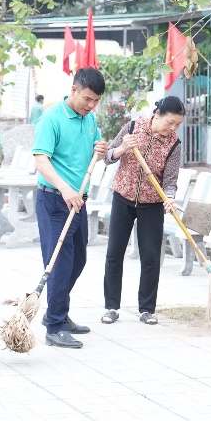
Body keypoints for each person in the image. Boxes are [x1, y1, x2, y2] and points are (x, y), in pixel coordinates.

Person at [32, 67, 109, 349]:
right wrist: (65, 188)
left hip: (79, 202)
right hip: (54, 199)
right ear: (74, 89)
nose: (91, 106)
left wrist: (101, 150)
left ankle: (59, 313)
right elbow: (41, 160)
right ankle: (54, 326)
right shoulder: (50, 119)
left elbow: (94, 152)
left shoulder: (88, 120)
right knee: (59, 264)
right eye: (87, 99)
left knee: (78, 261)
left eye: (95, 101)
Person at [101, 95, 185, 325]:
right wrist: (121, 149)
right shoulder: (132, 128)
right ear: (157, 115)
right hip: (123, 197)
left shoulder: (174, 144)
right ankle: (111, 306)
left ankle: (147, 309)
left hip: (152, 204)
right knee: (114, 253)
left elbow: (170, 180)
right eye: (170, 122)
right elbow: (108, 156)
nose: (173, 128)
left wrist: (169, 197)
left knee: (150, 257)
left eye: (178, 124)